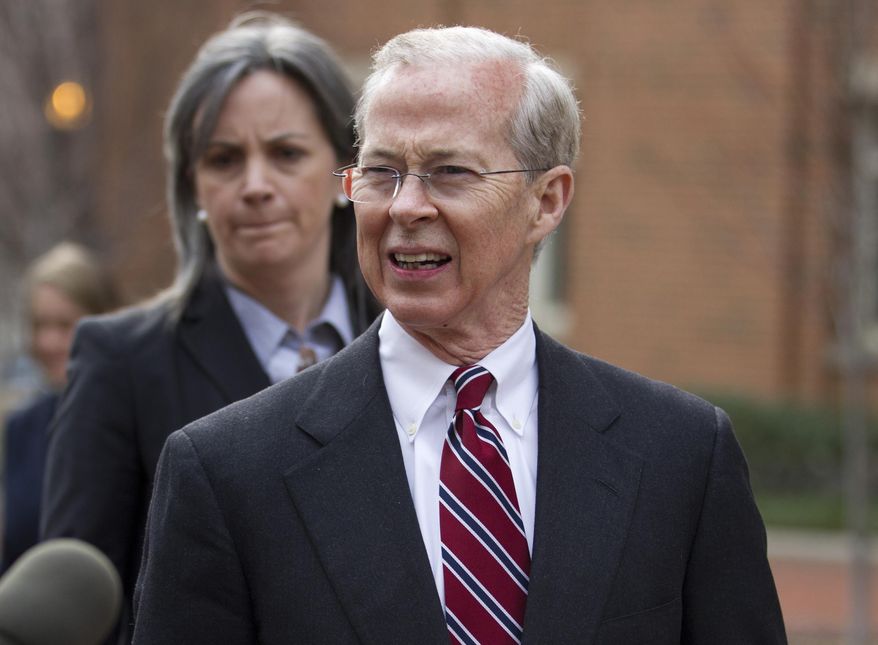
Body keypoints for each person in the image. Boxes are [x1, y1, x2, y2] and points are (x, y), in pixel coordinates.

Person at [133, 25, 787, 644]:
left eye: (450, 172)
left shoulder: (681, 457)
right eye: (383, 172)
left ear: (547, 200)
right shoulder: (225, 472)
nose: (406, 206)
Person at [41, 11, 381, 643]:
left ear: (345, 175)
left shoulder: (409, 341)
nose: (255, 186)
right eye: (225, 159)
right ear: (192, 186)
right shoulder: (122, 365)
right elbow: (77, 606)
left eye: (285, 153)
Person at [2, 242, 117, 574]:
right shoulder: (23, 426)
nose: (48, 343)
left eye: (64, 325)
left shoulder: (134, 419)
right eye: (39, 325)